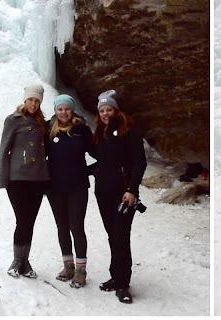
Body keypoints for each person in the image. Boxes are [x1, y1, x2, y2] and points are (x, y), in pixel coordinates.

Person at [91, 90, 147, 303]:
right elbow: (104, 162)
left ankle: (123, 284)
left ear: (116, 110)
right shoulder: (101, 132)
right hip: (103, 192)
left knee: (121, 236)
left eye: (109, 109)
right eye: (102, 110)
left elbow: (139, 163)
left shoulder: (129, 132)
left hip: (124, 194)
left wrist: (132, 190)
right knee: (112, 235)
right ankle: (116, 276)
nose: (106, 113)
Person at [0, 83, 50, 278]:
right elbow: (4, 150)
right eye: (30, 100)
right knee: (22, 219)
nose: (33, 104)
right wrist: (2, 178)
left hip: (37, 179)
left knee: (30, 221)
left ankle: (25, 261)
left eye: (37, 101)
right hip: (17, 179)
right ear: (24, 100)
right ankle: (17, 260)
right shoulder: (13, 120)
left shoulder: (43, 122)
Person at [46, 94, 95, 288]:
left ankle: (81, 270)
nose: (63, 112)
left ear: (71, 110)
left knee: (76, 226)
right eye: (60, 109)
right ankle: (68, 266)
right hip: (55, 187)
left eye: (66, 108)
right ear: (56, 111)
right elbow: (40, 156)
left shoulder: (81, 130)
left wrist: (90, 170)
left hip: (77, 187)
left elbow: (99, 153)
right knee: (62, 226)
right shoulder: (49, 130)